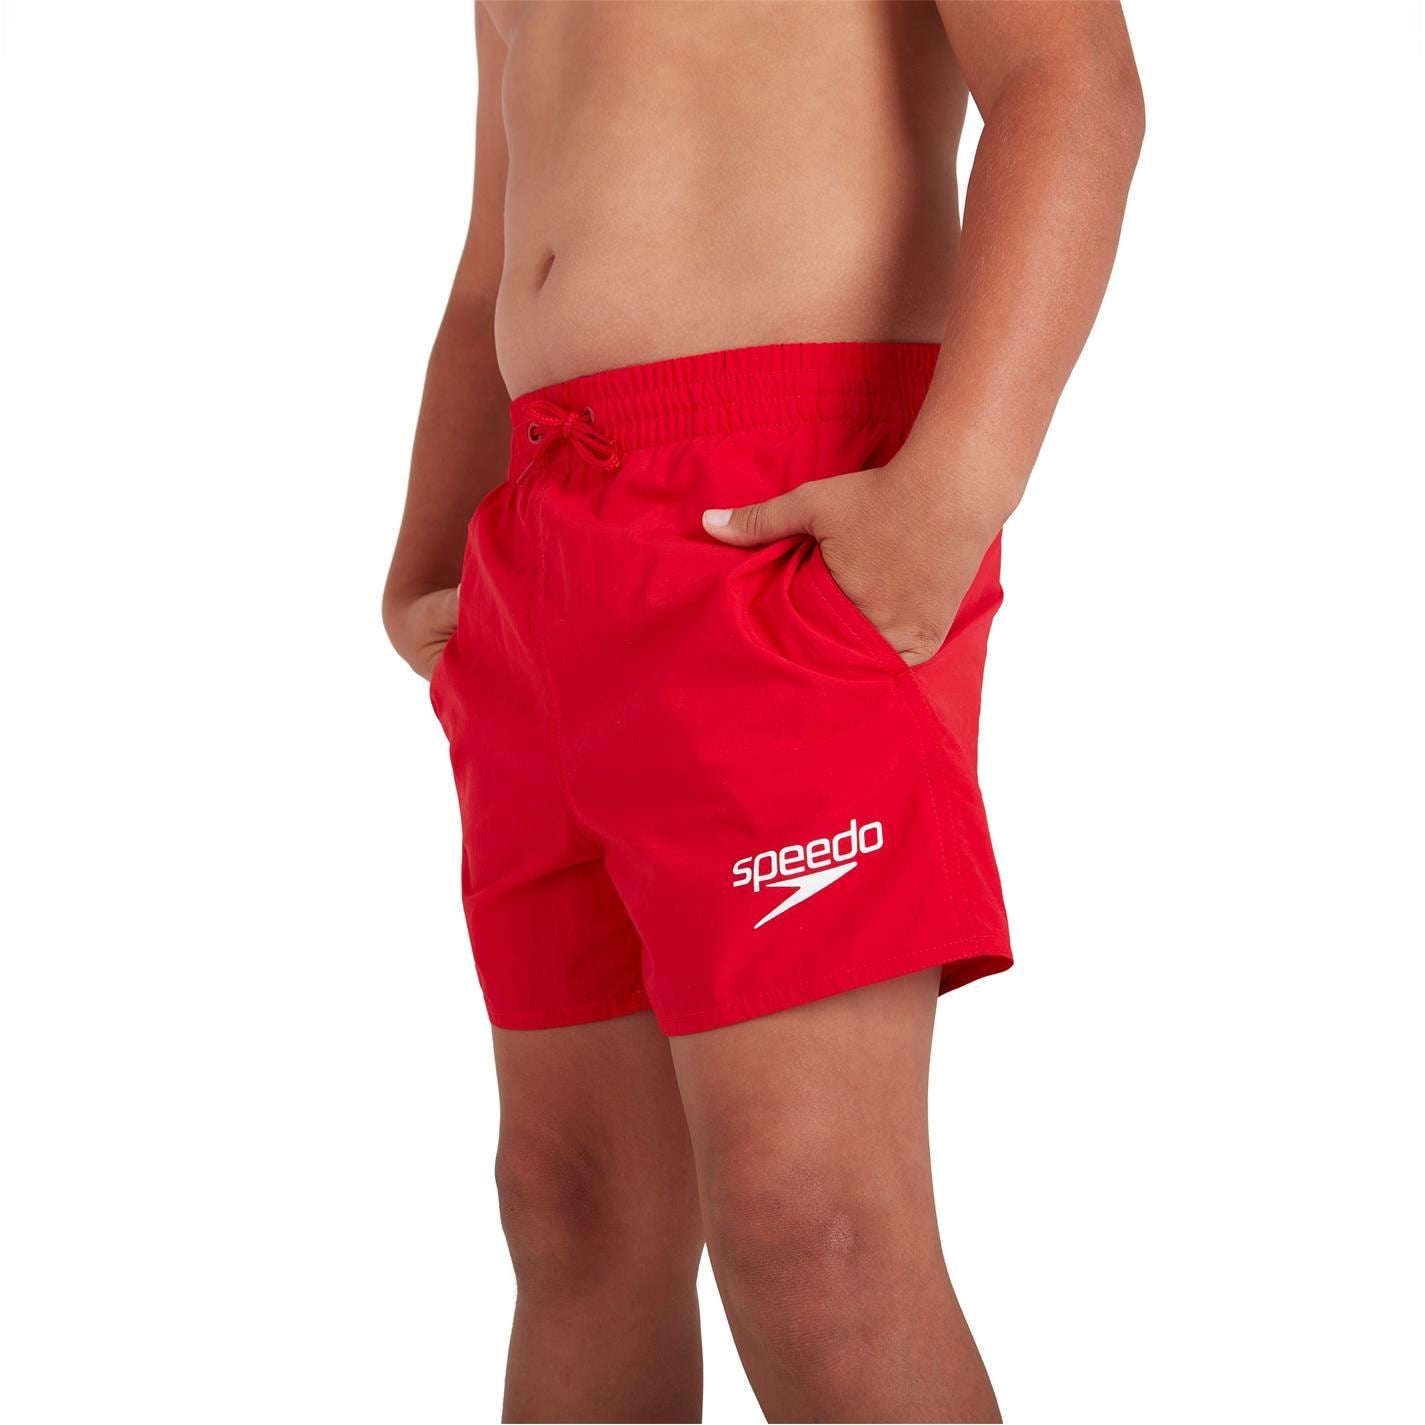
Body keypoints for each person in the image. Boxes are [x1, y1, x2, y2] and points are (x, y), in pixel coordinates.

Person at [383, 3, 1142, 1419]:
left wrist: (947, 499)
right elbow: (495, 247)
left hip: (773, 509)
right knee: (570, 1205)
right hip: (540, 538)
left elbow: (1071, 84)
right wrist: (433, 548)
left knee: (816, 1226)